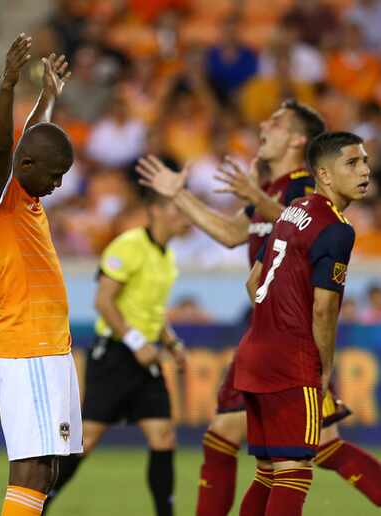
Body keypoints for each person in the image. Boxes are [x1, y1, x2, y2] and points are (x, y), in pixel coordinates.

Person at [137, 100, 381, 513]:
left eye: (276, 122)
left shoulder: (301, 188)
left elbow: (291, 236)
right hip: (287, 344)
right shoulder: (278, 192)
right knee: (288, 459)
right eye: (354, 163)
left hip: (274, 341)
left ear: (297, 139)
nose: (264, 125)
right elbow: (234, 234)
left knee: (281, 454)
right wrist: (179, 197)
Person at [0, 34, 77, 516]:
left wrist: (48, 96)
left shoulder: (26, 195)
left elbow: (33, 137)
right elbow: (3, 145)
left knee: (48, 469)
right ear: (26, 167)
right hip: (25, 346)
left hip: (49, 346)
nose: (56, 186)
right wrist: (9, 83)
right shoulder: (0, 197)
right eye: (53, 176)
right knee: (31, 468)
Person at [234, 131, 372, 515]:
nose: (364, 170)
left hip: (254, 354)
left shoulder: (293, 210)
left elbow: (252, 281)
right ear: (324, 174)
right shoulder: (337, 229)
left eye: (364, 161)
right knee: (294, 472)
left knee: (268, 473)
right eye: (352, 163)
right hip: (290, 362)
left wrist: (273, 323)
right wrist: (324, 366)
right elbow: (324, 309)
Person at [43, 184, 191, 516]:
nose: (184, 216)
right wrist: (138, 343)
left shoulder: (167, 256)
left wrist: (172, 342)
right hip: (114, 354)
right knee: (88, 440)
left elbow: (152, 311)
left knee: (163, 435)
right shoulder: (129, 246)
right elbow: (103, 301)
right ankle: (40, 501)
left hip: (145, 355)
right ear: (155, 210)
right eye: (176, 208)